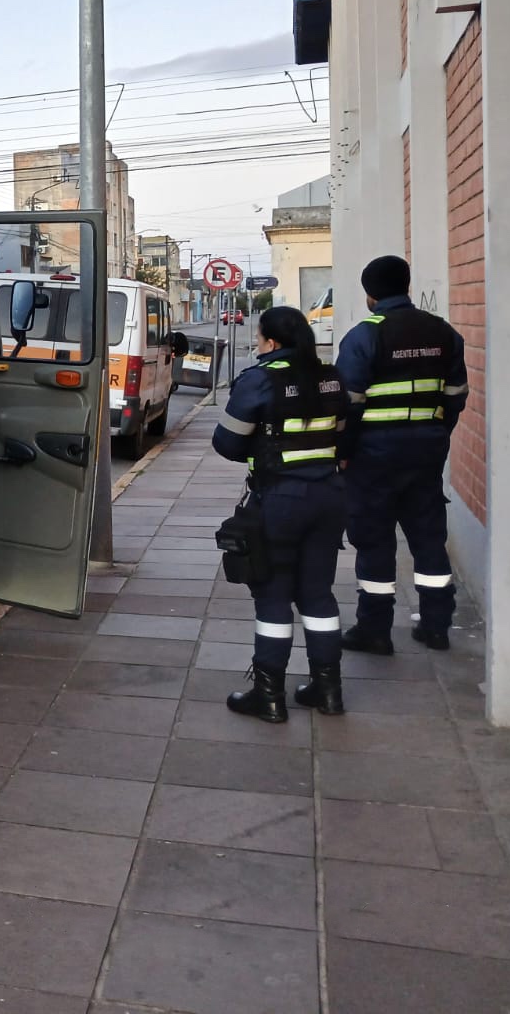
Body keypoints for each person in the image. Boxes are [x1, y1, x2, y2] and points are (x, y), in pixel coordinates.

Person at [212, 306, 351, 721]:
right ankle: (328, 691)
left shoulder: (260, 380)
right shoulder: (331, 377)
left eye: (259, 338)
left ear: (270, 342)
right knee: (318, 593)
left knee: (273, 595)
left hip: (280, 501)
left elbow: (228, 443)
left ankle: (269, 696)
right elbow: (345, 434)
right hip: (329, 497)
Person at [336, 255, 469, 653]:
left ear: (370, 295)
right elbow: (456, 397)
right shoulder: (443, 332)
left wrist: (343, 453)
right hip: (426, 453)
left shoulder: (364, 336)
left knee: (375, 539)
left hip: (372, 457)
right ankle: (436, 625)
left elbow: (347, 404)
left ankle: (375, 630)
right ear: (408, 287)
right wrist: (434, 432)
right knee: (429, 537)